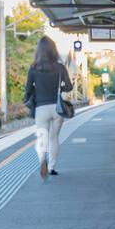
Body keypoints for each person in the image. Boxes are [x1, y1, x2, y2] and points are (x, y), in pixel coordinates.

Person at [24, 37, 73, 179]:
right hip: (57, 108)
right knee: (54, 138)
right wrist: (59, 87)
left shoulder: (33, 69)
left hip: (41, 108)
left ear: (38, 51)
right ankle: (52, 167)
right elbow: (69, 86)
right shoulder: (59, 67)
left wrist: (32, 95)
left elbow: (27, 90)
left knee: (42, 138)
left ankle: (42, 161)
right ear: (53, 50)